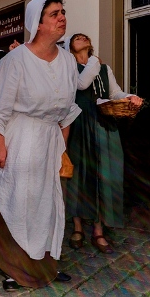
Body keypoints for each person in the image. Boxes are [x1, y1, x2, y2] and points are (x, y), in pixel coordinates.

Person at [0, 0, 81, 291]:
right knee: (19, 202)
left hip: (50, 142)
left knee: (47, 203)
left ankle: (45, 264)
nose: (62, 17)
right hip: (20, 139)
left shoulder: (68, 61)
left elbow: (67, 113)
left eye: (63, 12)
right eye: (54, 14)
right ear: (38, 23)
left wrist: (62, 151)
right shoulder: (15, 60)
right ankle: (17, 269)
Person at [65, 33, 143, 253]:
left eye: (84, 36)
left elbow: (114, 92)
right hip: (79, 125)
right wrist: (93, 61)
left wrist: (130, 97)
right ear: (71, 46)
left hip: (103, 125)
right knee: (79, 176)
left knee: (102, 175)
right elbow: (81, 86)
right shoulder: (69, 67)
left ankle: (98, 230)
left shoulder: (103, 68)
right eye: (77, 37)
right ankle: (77, 227)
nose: (82, 37)